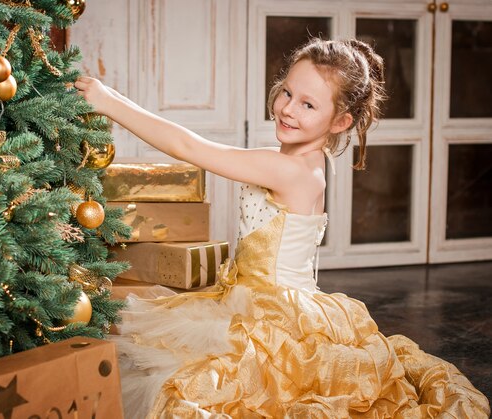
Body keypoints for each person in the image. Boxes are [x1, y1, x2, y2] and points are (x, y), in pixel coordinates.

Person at [75, 38, 490, 418]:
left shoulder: (291, 171)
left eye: (309, 105)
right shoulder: (295, 160)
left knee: (226, 389)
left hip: (273, 311)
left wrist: (110, 101)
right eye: (288, 92)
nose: (289, 109)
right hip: (246, 298)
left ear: (340, 121)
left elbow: (190, 148)